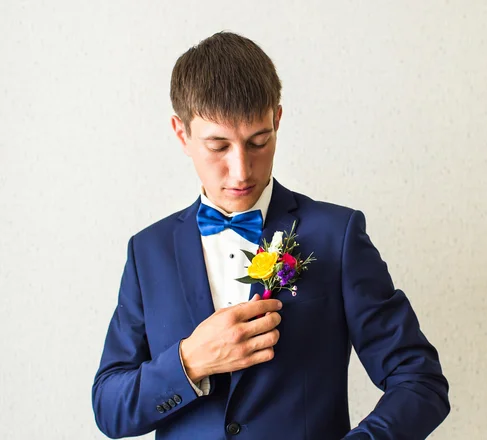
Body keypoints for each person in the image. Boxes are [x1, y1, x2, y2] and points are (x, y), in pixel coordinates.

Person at [92, 31, 450, 440]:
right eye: (218, 145)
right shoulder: (147, 252)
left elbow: (420, 382)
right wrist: (189, 362)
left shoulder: (337, 236)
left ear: (277, 120)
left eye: (258, 141)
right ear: (181, 134)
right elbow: (109, 408)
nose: (242, 170)